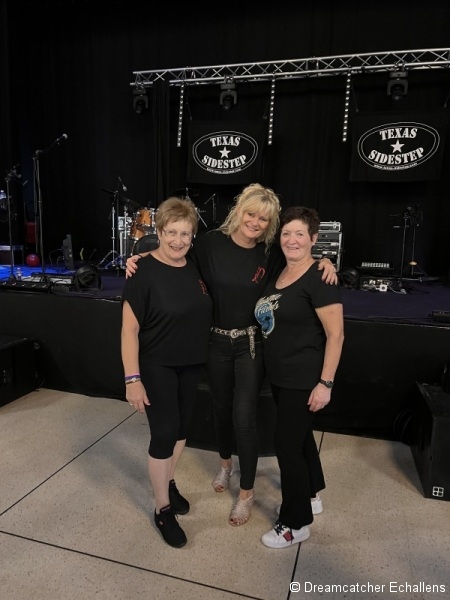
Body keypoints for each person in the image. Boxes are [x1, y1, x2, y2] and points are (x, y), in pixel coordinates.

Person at [126, 183, 338, 527]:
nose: (255, 222)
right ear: (239, 210)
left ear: (270, 224)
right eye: (251, 213)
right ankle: (225, 465)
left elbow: (300, 258)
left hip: (250, 345)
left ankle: (246, 493)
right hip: (214, 342)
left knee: (244, 417)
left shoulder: (269, 252)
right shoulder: (209, 243)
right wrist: (140, 258)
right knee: (220, 409)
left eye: (263, 218)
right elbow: (173, 254)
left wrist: (324, 261)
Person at [121, 197, 212, 548]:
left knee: (182, 429)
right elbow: (129, 330)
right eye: (171, 232)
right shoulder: (141, 271)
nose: (178, 240)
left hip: (191, 361)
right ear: (158, 232)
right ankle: (162, 509)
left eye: (185, 233)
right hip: (156, 364)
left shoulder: (195, 264)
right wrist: (133, 379)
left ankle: (168, 481)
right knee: (164, 432)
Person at [254, 206, 344, 548]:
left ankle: (295, 523)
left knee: (287, 446)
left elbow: (336, 335)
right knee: (301, 436)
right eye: (287, 233)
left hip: (303, 378)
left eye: (300, 234)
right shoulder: (280, 269)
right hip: (281, 375)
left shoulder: (319, 278)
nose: (292, 240)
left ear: (313, 239)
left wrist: (325, 384)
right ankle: (312, 494)